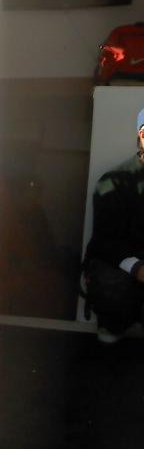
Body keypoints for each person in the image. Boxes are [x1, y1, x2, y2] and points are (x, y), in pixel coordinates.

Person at [83, 108, 144, 344]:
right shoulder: (113, 181)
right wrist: (138, 268)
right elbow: (105, 242)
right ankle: (111, 327)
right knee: (113, 288)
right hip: (119, 267)